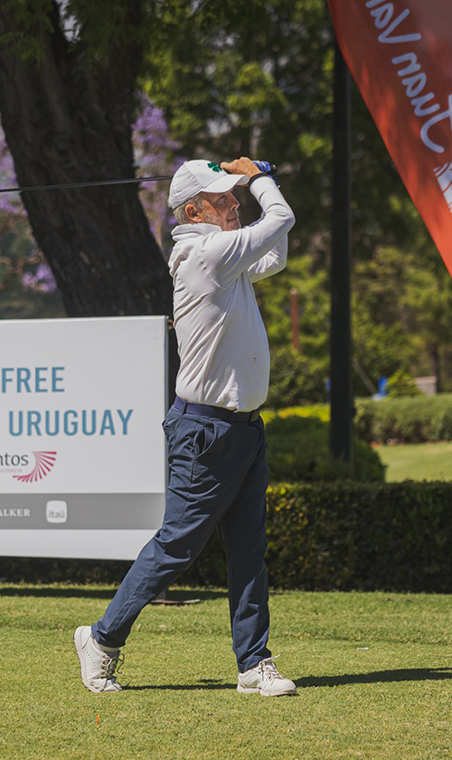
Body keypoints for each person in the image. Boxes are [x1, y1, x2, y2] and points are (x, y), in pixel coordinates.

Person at [74, 156, 297, 696]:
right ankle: (101, 640)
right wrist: (260, 177)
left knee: (249, 551)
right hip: (205, 433)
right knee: (177, 546)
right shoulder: (205, 253)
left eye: (234, 196)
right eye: (224, 198)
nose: (235, 203)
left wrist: (254, 180)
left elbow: (277, 252)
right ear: (193, 210)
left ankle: (253, 665)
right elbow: (281, 219)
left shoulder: (225, 255)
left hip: (242, 429)